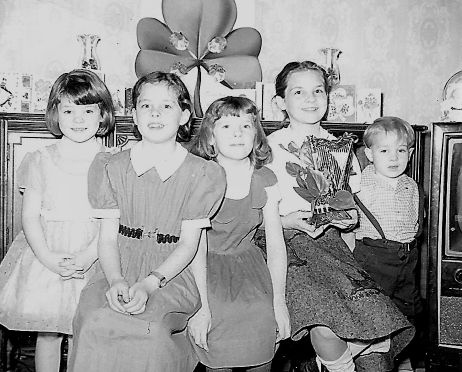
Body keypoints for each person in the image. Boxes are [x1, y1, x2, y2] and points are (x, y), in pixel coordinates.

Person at [68, 71, 226, 372]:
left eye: (166, 106)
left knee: (149, 332)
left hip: (170, 274)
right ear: (135, 116)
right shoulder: (111, 167)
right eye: (145, 105)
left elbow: (189, 245)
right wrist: (115, 280)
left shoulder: (202, 174)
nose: (155, 113)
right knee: (94, 323)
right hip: (117, 266)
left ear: (183, 116)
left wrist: (150, 284)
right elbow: (106, 238)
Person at [265, 61, 415, 372]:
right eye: (299, 91)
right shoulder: (269, 149)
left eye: (318, 90)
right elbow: (251, 213)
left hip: (334, 247)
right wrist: (286, 220)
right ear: (280, 102)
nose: (310, 98)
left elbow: (352, 207)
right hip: (284, 244)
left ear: (328, 97)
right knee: (324, 321)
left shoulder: (341, 148)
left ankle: (360, 351)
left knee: (375, 348)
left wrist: (349, 219)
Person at [0, 68, 116, 372]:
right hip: (47, 255)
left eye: (88, 110)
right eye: (69, 110)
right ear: (56, 113)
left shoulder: (112, 161)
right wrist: (48, 258)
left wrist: (89, 256)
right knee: (49, 333)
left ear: (102, 115)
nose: (79, 119)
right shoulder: (40, 159)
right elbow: (29, 215)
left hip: (95, 254)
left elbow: (114, 218)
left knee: (84, 328)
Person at [189, 96, 291, 372]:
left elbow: (276, 246)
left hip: (249, 269)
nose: (237, 134)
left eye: (246, 126)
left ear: (256, 136)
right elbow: (194, 247)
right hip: (203, 269)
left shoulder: (264, 178)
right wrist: (200, 307)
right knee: (216, 329)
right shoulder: (200, 178)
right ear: (210, 138)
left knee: (262, 320)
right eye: (226, 127)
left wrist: (279, 304)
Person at [352, 117, 423, 372]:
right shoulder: (360, 184)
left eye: (401, 150)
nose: (394, 158)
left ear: (410, 153)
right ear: (369, 154)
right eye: (384, 151)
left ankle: (402, 357)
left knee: (407, 311)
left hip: (406, 259)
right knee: (375, 313)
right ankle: (372, 362)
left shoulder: (411, 185)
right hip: (374, 257)